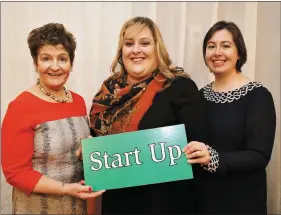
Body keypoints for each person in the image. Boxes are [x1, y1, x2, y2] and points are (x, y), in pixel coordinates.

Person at [88, 16, 209, 214]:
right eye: (129, 44)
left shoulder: (180, 88)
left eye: (144, 43)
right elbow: (99, 146)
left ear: (157, 49)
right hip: (117, 203)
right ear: (121, 51)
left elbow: (197, 148)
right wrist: (88, 150)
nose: (136, 50)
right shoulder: (108, 93)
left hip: (164, 204)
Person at [1, 23, 105, 214]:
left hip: (77, 206)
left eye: (62, 59)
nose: (55, 67)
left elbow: (77, 149)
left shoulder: (79, 101)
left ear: (71, 64)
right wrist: (64, 189)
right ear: (35, 63)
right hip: (37, 208)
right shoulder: (21, 107)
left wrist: (89, 147)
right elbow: (15, 172)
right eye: (46, 58)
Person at [184, 20, 276, 214]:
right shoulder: (199, 97)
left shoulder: (258, 95)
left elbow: (259, 155)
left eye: (225, 46)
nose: (217, 52)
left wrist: (214, 158)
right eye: (211, 46)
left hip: (241, 201)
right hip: (202, 201)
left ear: (239, 53)